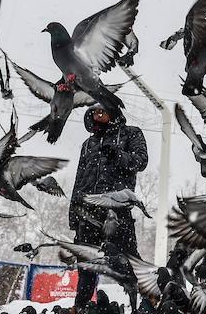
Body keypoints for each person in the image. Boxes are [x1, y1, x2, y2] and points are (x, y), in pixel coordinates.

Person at [69, 106, 148, 311]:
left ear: (112, 112)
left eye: (102, 111)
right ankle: (83, 309)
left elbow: (141, 162)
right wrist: (74, 214)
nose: (97, 115)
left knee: (130, 264)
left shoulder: (131, 133)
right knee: (86, 269)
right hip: (87, 213)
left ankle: (139, 307)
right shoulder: (88, 144)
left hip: (117, 210)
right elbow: (79, 180)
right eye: (94, 111)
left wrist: (118, 155)